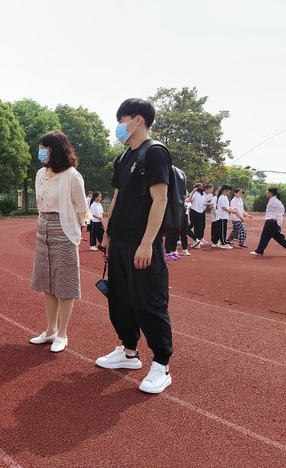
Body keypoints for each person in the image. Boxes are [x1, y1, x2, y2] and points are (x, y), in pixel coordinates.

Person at [95, 98, 173, 394]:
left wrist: (147, 243)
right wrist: (108, 233)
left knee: (148, 303)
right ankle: (129, 352)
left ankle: (162, 365)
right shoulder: (124, 157)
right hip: (119, 240)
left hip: (142, 243)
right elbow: (117, 197)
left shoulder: (154, 153)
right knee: (120, 300)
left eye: (121, 120)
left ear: (137, 120)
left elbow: (160, 200)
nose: (118, 126)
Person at [30, 131, 89, 353]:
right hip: (43, 228)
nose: (40, 152)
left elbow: (82, 208)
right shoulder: (40, 174)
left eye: (44, 148)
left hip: (63, 229)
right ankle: (50, 330)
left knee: (64, 282)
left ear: (55, 150)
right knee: (47, 281)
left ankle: (62, 334)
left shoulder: (72, 176)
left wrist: (74, 230)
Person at [250, 187, 286, 256]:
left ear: (271, 193)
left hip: (271, 222)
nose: (267, 193)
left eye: (268, 192)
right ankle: (259, 251)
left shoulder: (274, 200)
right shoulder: (273, 200)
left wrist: (275, 217)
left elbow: (281, 209)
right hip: (272, 222)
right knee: (278, 238)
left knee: (265, 236)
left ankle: (259, 251)